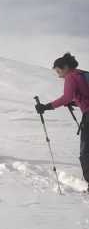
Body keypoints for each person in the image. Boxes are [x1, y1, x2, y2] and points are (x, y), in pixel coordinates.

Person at [35, 53, 89, 191]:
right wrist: (76, 103)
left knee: (86, 151)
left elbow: (66, 97)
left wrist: (47, 106)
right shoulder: (81, 74)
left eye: (59, 72)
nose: (59, 76)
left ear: (65, 67)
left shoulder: (71, 77)